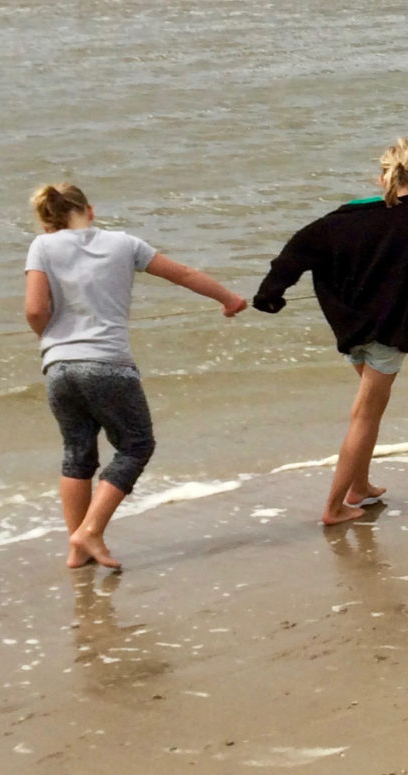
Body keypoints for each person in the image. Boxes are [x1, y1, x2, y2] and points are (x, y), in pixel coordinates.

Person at [25, 183, 246, 569]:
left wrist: (50, 337)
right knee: (136, 445)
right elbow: (184, 274)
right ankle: (90, 531)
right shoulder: (123, 243)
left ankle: (77, 549)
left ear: (49, 220)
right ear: (89, 211)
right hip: (108, 365)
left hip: (59, 368)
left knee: (77, 454)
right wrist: (229, 299)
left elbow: (34, 309)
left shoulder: (42, 247)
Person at [255, 139, 408, 524]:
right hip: (388, 329)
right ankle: (334, 507)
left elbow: (298, 250)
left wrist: (271, 293)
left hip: (349, 326)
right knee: (365, 415)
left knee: (371, 410)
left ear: (383, 176)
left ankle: (360, 486)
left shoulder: (345, 217)